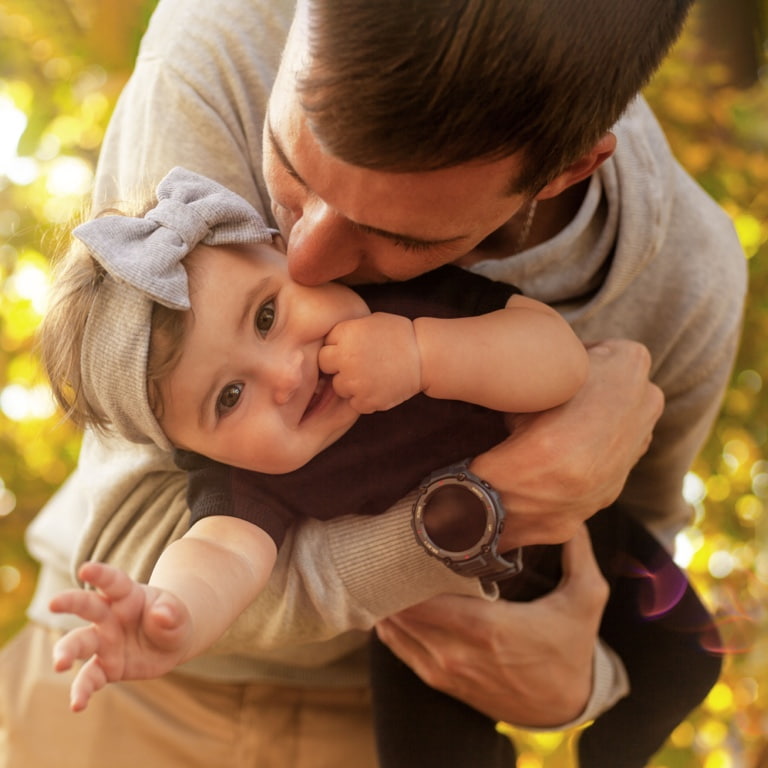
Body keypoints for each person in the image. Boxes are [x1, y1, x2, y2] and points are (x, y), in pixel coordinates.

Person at [0, 1, 746, 767]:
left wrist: (575, 687)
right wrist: (173, 618)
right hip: (130, 702)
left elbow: (622, 515)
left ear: (568, 173)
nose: (308, 257)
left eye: (400, 238)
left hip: (395, 692)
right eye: (289, 180)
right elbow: (195, 551)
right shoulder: (218, 52)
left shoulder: (688, 277)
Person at [40, 165, 587, 710]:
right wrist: (171, 614)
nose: (285, 376)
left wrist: (422, 353)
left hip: (591, 537)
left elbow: (562, 360)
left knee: (669, 652)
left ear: (285, 249)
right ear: (192, 449)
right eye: (229, 397)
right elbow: (218, 553)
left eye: (266, 315)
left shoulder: (408, 301)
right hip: (434, 640)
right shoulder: (250, 476)